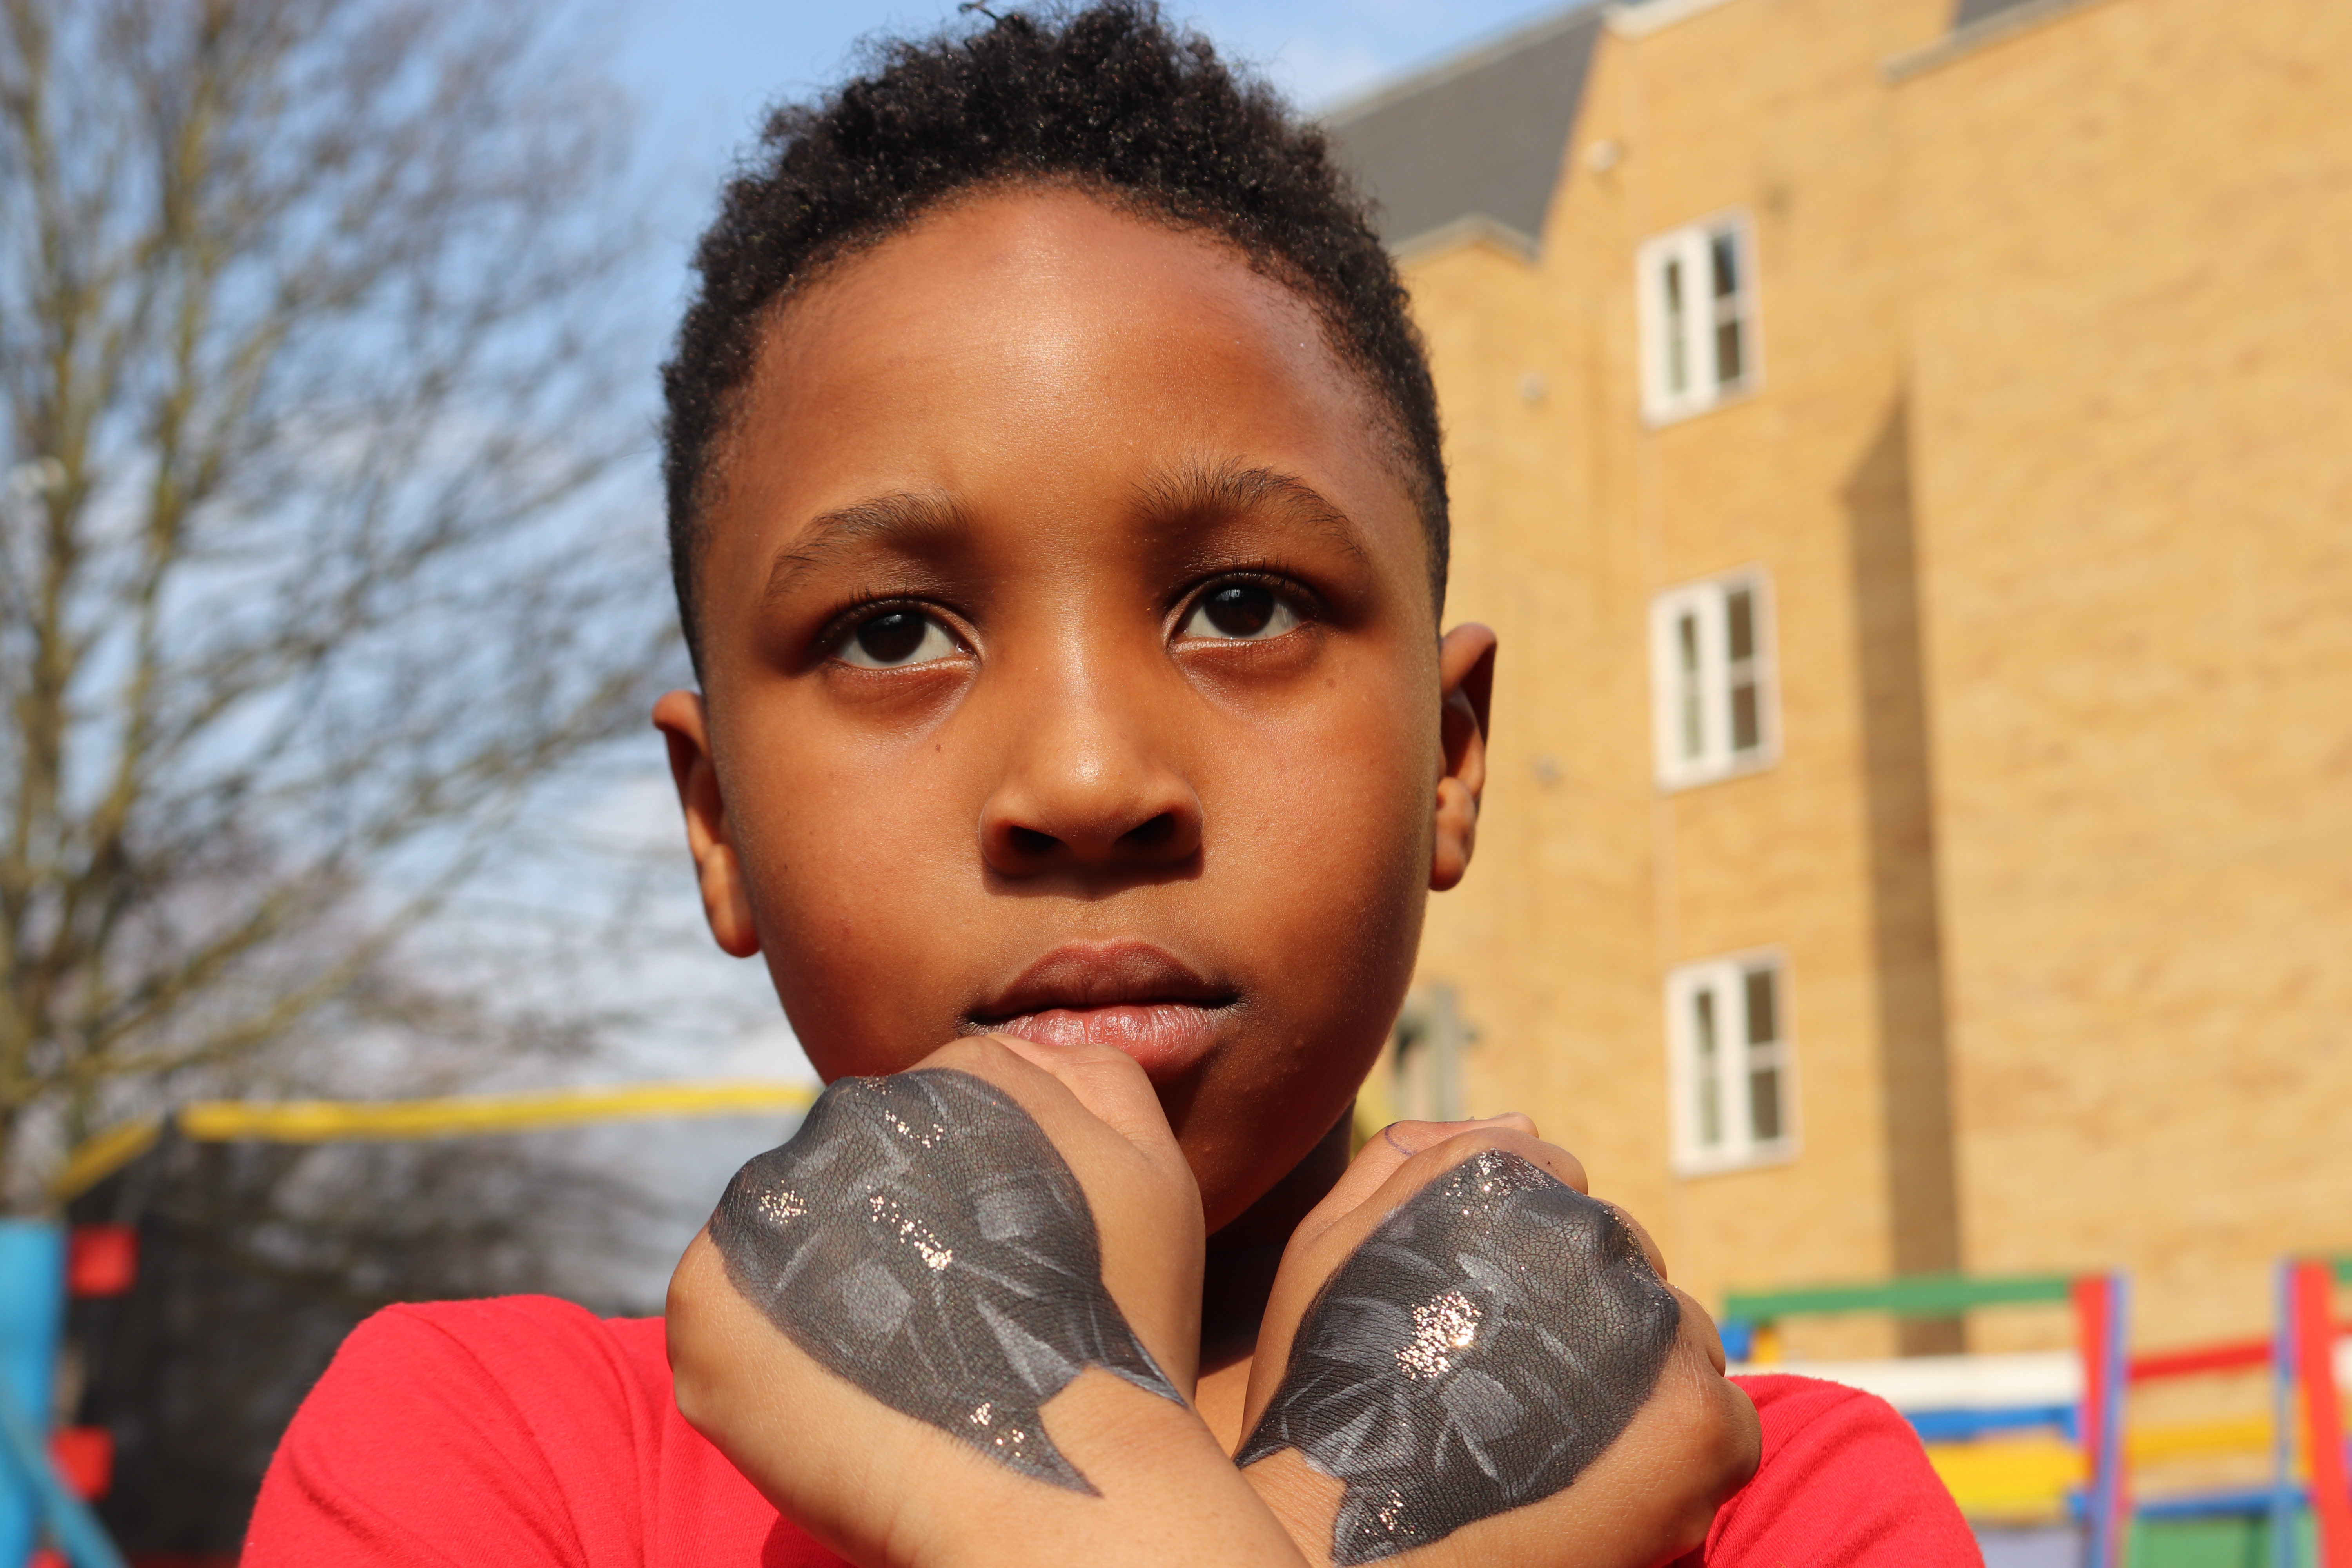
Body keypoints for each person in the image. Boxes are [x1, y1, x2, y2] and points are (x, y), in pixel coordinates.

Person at [244, 6, 1981, 1564]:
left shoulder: (1770, 1505)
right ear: (720, 827)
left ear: (1448, 760)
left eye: (1242, 607)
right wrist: (1326, 1516)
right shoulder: (493, 1464)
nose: (1086, 778)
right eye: (894, 631)